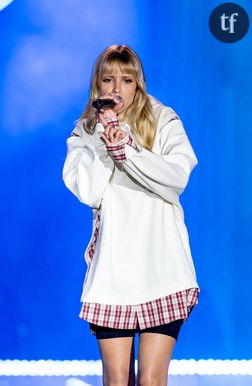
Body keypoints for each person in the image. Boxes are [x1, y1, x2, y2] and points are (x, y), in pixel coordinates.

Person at [62, 45, 199, 386]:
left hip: (162, 268)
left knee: (152, 380)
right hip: (113, 274)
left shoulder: (162, 118)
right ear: (98, 85)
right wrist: (103, 143)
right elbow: (88, 191)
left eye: (125, 80)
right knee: (117, 379)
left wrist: (128, 149)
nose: (115, 89)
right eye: (107, 80)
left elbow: (177, 178)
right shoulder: (84, 131)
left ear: (137, 84)